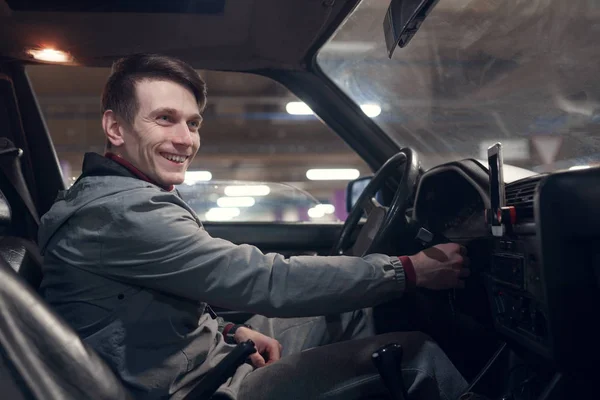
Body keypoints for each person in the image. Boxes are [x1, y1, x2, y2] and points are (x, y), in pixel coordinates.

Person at [39, 53, 470, 400]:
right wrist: (408, 270)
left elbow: (148, 303)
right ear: (116, 127)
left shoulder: (121, 196)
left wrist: (228, 331)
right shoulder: (121, 213)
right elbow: (265, 280)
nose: (186, 139)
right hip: (201, 388)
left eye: (193, 123)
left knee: (352, 309)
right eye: (165, 119)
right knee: (417, 357)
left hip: (201, 361)